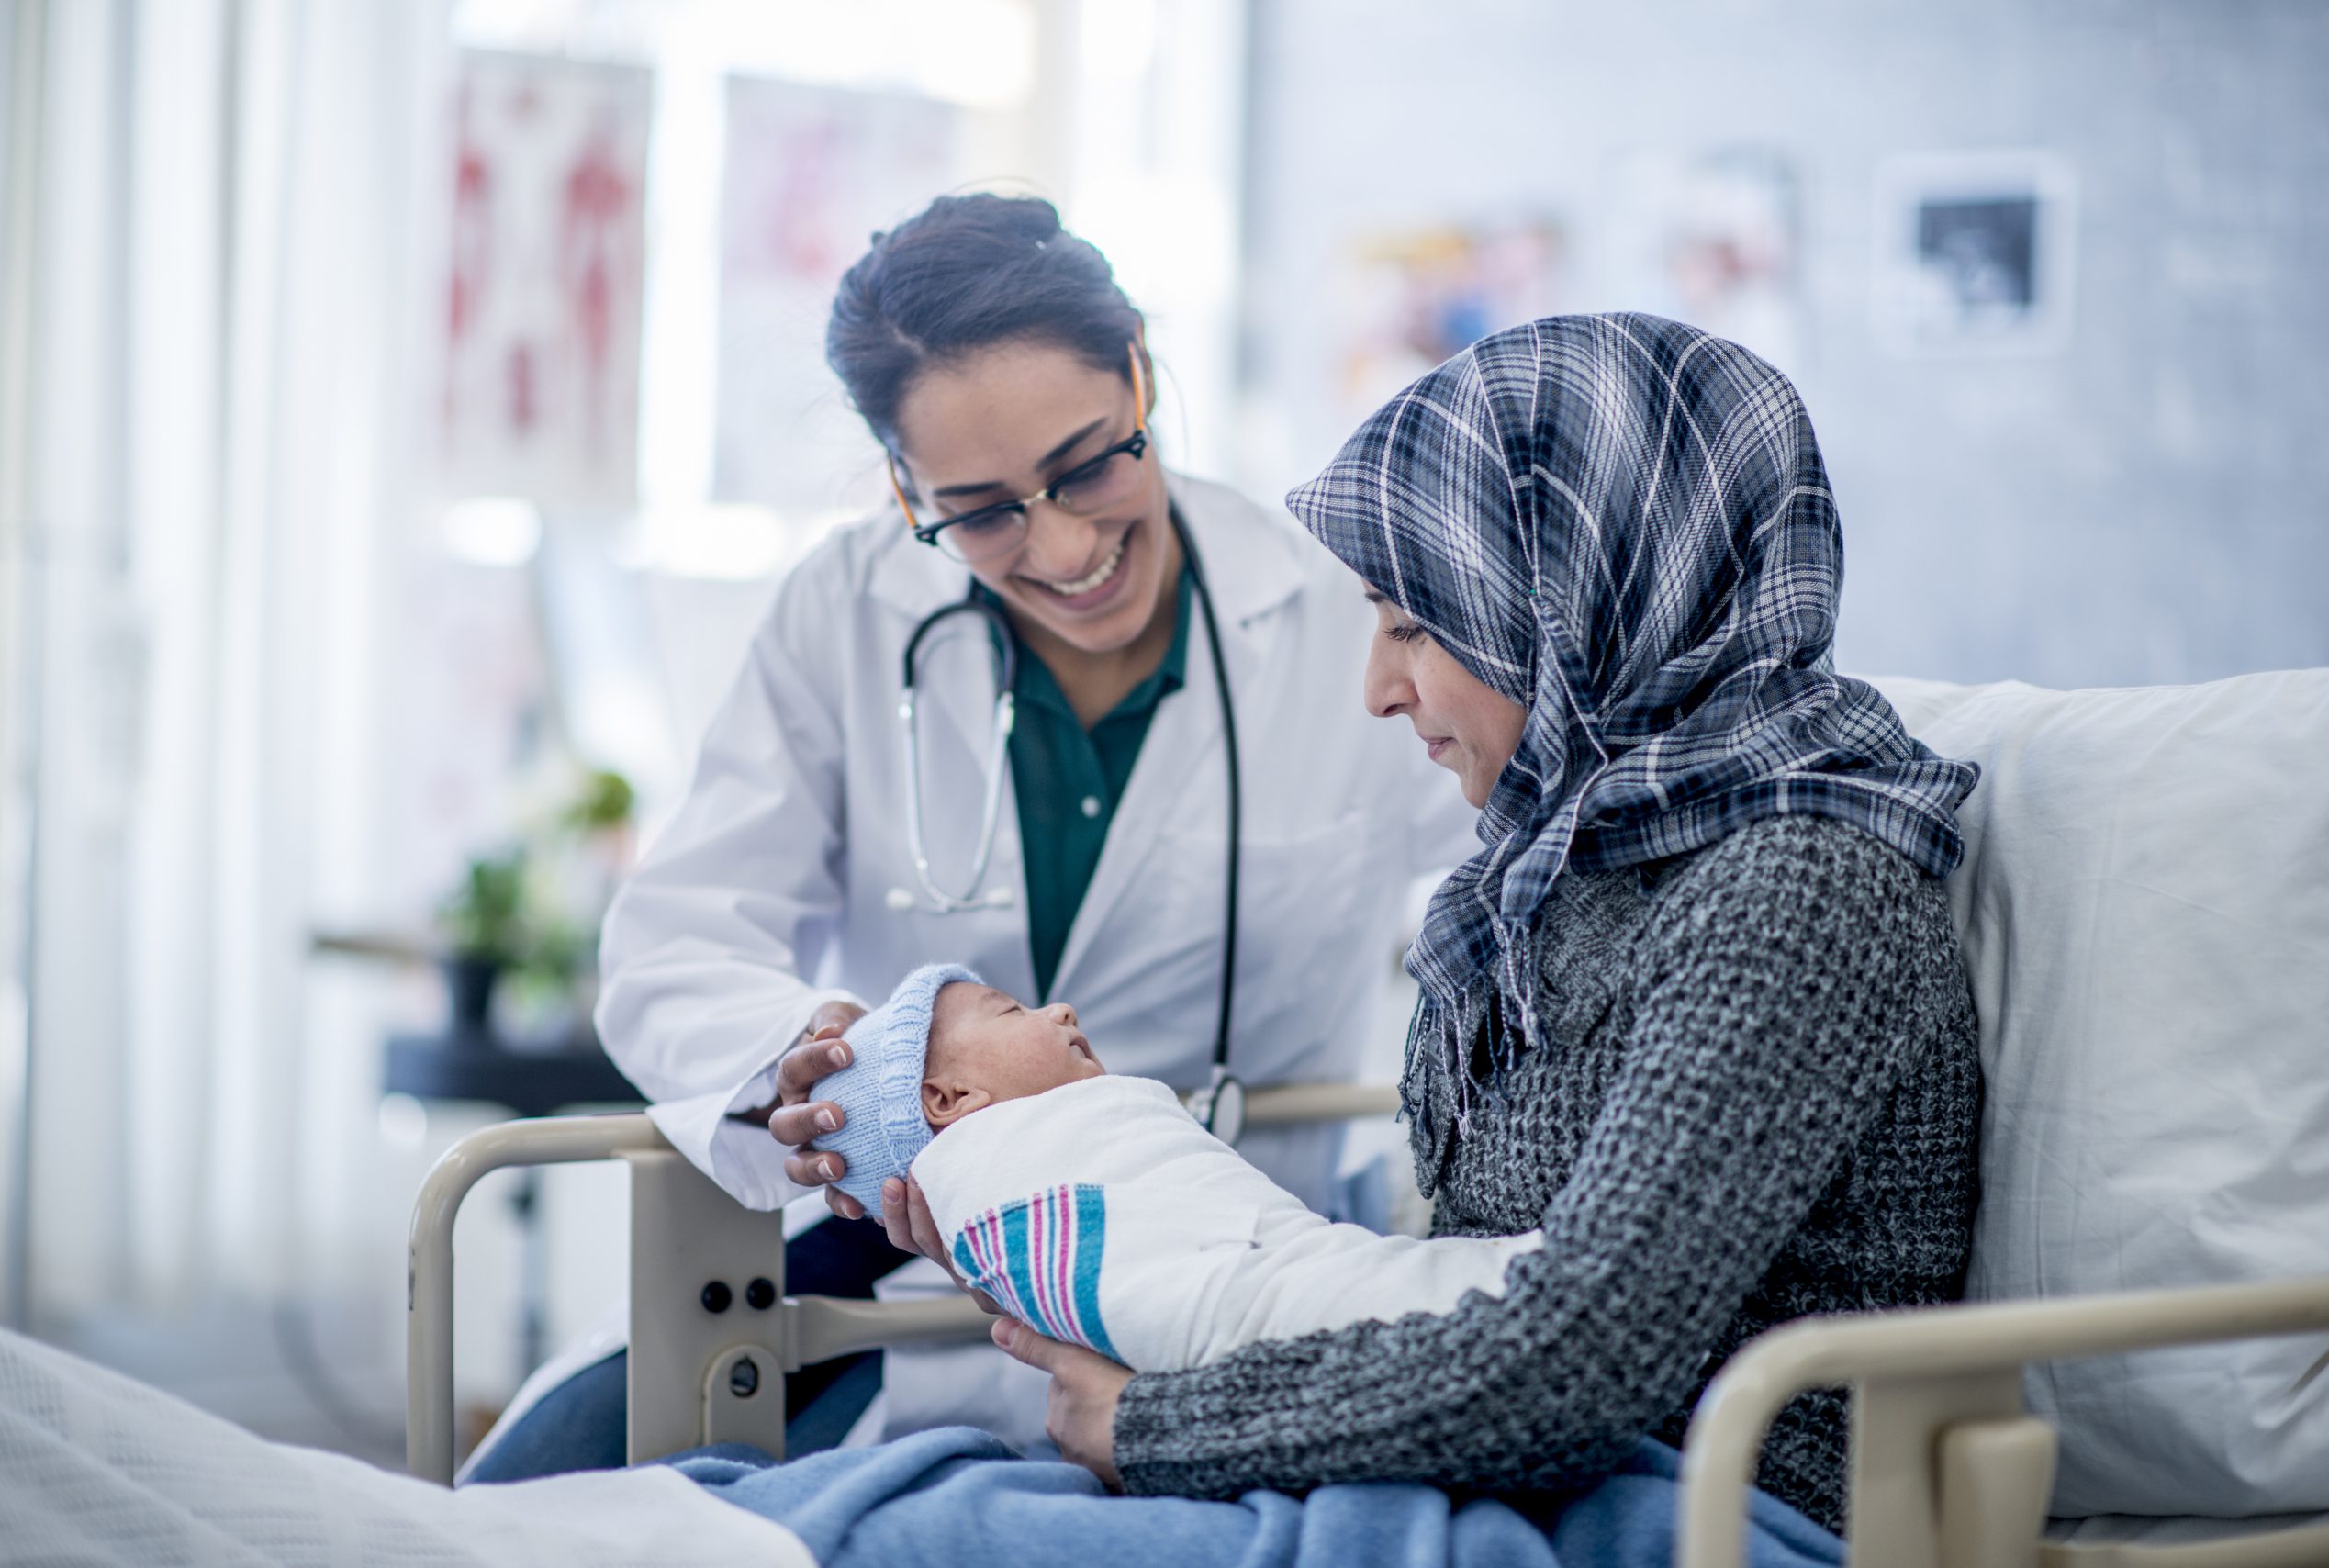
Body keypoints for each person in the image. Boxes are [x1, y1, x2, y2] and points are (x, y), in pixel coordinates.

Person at [888, 312, 1984, 1537]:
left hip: (1695, 1502)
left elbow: (1584, 1356)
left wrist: (1154, 1425)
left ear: (1571, 604)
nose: (1376, 688)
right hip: (1498, 1472)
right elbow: (1442, 1296)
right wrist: (1025, 1185)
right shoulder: (1543, 880)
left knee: (911, 1531)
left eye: (1413, 623)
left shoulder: (1794, 898)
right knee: (897, 1496)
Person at [465, 193, 1474, 1479]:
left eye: (1092, 462)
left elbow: (1532, 872)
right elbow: (671, 948)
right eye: (984, 509)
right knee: (511, 1503)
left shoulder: (1340, 612)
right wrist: (811, 1062)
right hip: (902, 1270)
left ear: (1140, 377)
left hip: (1222, 1268)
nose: (1064, 546)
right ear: (902, 488)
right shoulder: (846, 612)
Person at [807, 963, 1540, 1374]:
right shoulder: (1001, 1176)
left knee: (1392, 1287)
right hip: (1243, 1301)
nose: (1060, 1009)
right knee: (1417, 1301)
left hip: (1287, 1256)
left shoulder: (1086, 1128)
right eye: (1011, 1011)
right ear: (951, 1099)